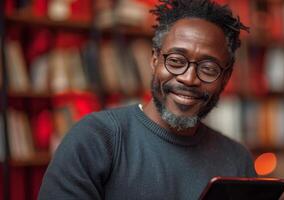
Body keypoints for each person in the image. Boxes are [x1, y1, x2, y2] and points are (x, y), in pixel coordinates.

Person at [38, 0, 256, 199]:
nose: (189, 79)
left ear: (225, 78)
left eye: (208, 68)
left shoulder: (237, 160)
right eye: (176, 61)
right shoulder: (95, 140)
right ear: (154, 60)